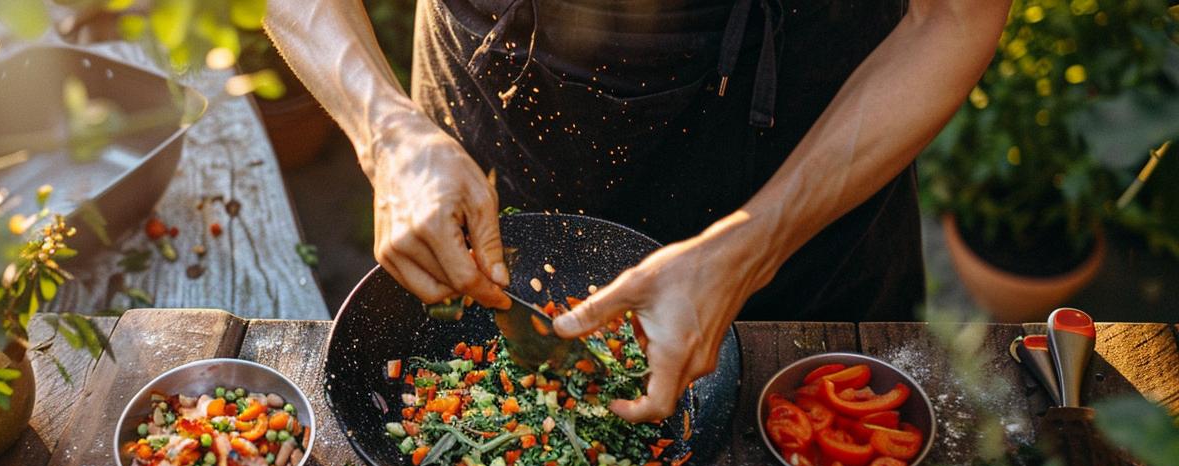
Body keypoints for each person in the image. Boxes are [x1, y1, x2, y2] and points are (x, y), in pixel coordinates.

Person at [265, 0, 1009, 422]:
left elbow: (953, 15)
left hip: (806, 151)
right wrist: (385, 132)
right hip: (493, 108)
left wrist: (754, 246)